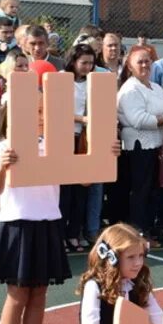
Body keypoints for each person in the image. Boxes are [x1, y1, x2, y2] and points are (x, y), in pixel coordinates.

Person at [0, 91, 121, 324]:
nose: (43, 118)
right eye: (37, 113)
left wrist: (106, 154)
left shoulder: (53, 147)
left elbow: (83, 178)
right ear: (17, 115)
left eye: (45, 113)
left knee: (39, 293)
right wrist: (6, 166)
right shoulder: (3, 148)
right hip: (17, 226)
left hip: (47, 225)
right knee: (17, 294)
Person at [117, 47, 163, 243]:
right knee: (141, 191)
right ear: (130, 66)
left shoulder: (155, 87)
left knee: (155, 190)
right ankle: (138, 231)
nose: (145, 65)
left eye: (148, 61)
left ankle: (150, 228)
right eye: (140, 62)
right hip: (139, 147)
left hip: (158, 146)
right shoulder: (130, 89)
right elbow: (138, 120)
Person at [59, 45, 98, 251]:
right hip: (64, 138)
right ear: (73, 61)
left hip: (85, 139)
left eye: (91, 63)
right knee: (64, 190)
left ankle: (74, 233)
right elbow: (55, 109)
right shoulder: (61, 78)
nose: (87, 67)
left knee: (82, 189)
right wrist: (82, 118)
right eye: (84, 62)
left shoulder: (93, 82)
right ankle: (61, 235)